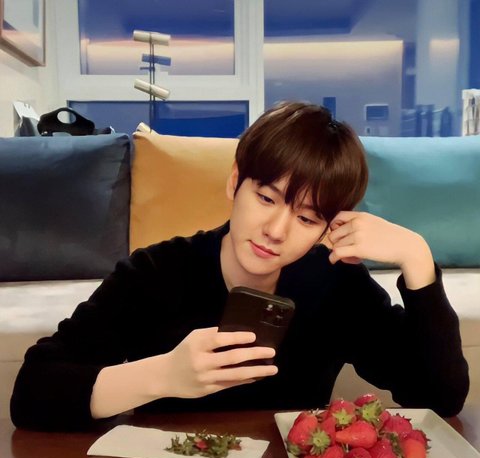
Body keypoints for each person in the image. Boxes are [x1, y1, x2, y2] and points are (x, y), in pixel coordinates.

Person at [11, 101, 469, 431]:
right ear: (235, 182)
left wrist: (417, 259)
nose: (276, 230)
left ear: (328, 226)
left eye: (307, 218)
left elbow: (440, 396)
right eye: (266, 198)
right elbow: (32, 393)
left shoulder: (335, 283)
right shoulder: (156, 272)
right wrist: (162, 376)